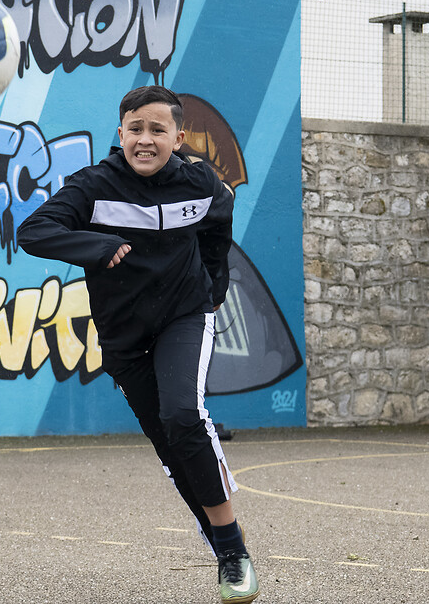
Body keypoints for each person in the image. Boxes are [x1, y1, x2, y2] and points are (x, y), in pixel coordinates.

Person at [17, 85, 258, 602]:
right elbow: (34, 231)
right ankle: (222, 548)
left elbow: (218, 226)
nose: (145, 140)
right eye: (135, 129)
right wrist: (98, 246)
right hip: (123, 333)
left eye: (157, 129)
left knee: (184, 417)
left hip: (184, 315)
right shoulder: (94, 186)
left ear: (179, 136)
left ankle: (234, 551)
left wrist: (214, 289)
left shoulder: (201, 183)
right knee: (168, 443)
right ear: (120, 133)